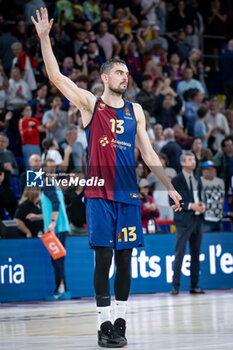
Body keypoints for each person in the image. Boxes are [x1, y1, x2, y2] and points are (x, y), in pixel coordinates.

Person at [31, 8, 182, 348]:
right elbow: (56, 77)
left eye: (127, 72)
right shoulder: (90, 105)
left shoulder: (136, 111)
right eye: (118, 72)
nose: (124, 77)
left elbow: (148, 154)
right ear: (104, 78)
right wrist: (43, 39)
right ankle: (103, 326)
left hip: (128, 194)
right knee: (103, 258)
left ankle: (121, 323)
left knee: (126, 259)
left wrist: (169, 186)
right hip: (99, 193)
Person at [170, 151, 205, 295]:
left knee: (196, 254)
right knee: (180, 254)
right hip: (183, 221)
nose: (193, 162)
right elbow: (172, 200)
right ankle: (175, 287)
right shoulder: (176, 180)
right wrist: (191, 205)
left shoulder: (198, 179)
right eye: (190, 160)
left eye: (194, 159)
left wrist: (203, 204)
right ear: (183, 163)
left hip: (197, 220)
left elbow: (200, 196)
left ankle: (194, 285)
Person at [40, 158, 71, 301]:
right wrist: (38, 217)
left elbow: (56, 205)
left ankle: (61, 290)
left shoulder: (48, 185)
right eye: (50, 167)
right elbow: (51, 207)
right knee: (58, 260)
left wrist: (52, 223)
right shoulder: (53, 185)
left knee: (57, 260)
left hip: (57, 228)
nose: (52, 170)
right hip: (59, 227)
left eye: (54, 167)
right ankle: (63, 290)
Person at [200, 160, 225, 232]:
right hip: (206, 219)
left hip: (218, 218)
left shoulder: (221, 182)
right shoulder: (200, 181)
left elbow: (222, 199)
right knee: (206, 241)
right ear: (203, 171)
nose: (212, 171)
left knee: (220, 242)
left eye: (213, 169)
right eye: (209, 169)